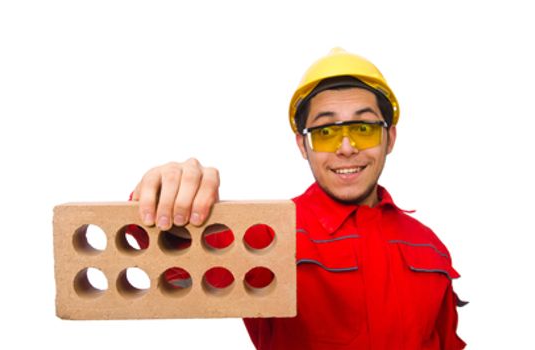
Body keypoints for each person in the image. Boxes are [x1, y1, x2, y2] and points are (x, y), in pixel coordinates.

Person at [134, 48, 464, 349]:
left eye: (363, 128)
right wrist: (165, 198)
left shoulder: (428, 245)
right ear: (301, 145)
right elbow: (173, 265)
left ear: (389, 137)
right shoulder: (267, 235)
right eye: (325, 132)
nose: (347, 148)